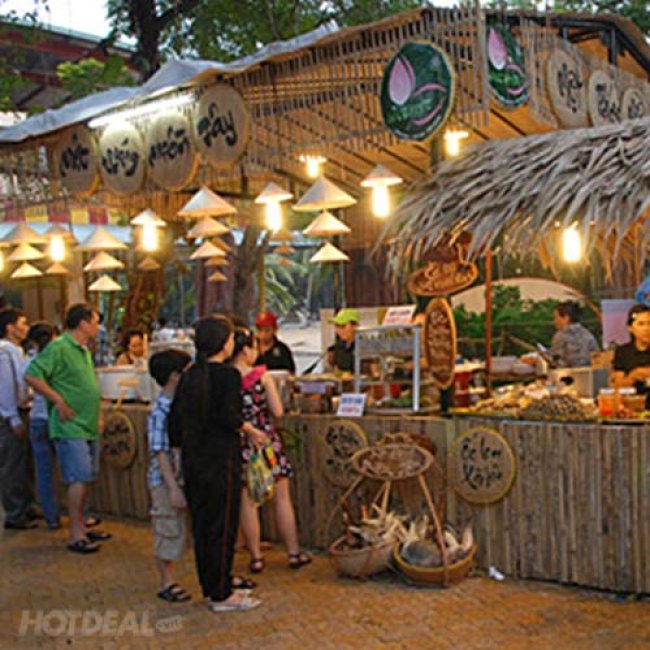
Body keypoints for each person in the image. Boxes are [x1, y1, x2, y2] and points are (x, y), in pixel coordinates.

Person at [169, 316, 262, 613]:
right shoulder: (227, 376)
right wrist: (249, 430)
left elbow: (174, 424)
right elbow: (228, 415)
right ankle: (222, 595)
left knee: (203, 528)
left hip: (194, 461)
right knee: (222, 528)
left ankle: (213, 584)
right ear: (224, 343)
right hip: (221, 460)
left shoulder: (189, 375)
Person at [25, 303, 110, 554]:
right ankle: (75, 533)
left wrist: (99, 413)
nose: (98, 327)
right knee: (78, 477)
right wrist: (58, 400)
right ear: (83, 323)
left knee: (88, 476)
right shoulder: (59, 347)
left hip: (88, 422)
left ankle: (82, 524)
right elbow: (32, 375)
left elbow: (89, 385)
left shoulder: (83, 350)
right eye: (95, 321)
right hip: (70, 425)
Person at [231, 327, 311, 574]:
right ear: (246, 350)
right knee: (282, 498)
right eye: (254, 347)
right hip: (266, 442)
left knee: (248, 503)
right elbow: (278, 411)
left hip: (240, 444)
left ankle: (256, 558)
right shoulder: (262, 376)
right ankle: (293, 553)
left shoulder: (225, 378)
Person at [147, 349, 192, 603]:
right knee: (167, 527)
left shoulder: (178, 405)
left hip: (178, 476)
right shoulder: (160, 411)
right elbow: (160, 452)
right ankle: (166, 582)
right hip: (165, 480)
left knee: (176, 527)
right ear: (175, 376)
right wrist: (173, 486)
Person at [0, 307, 37, 530]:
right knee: (12, 463)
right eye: (22, 323)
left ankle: (26, 505)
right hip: (11, 414)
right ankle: (15, 512)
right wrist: (12, 416)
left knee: (23, 462)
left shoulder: (17, 350)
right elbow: (5, 386)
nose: (26, 328)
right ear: (10, 327)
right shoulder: (5, 351)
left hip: (21, 410)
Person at [24, 322, 60, 530]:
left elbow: (23, 394)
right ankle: (80, 517)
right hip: (58, 419)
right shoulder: (57, 360)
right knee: (70, 470)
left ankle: (51, 517)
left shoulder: (29, 362)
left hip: (37, 418)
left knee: (44, 472)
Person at [612, 304, 650, 407]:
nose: (647, 329)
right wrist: (633, 376)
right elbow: (618, 386)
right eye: (641, 324)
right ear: (630, 328)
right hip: (631, 405)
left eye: (649, 323)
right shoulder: (623, 352)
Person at [550, 301, 599, 367]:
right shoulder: (588, 335)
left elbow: (556, 362)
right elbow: (597, 357)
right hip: (588, 372)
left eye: (556, 317)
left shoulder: (560, 336)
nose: (554, 321)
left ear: (566, 318)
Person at [327, 308, 360, 374]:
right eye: (336, 326)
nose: (338, 330)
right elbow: (336, 370)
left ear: (355, 326)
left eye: (342, 326)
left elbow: (375, 375)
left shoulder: (366, 347)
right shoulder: (337, 348)